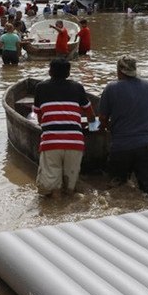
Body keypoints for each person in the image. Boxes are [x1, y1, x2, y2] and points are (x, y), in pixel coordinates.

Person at [98, 55, 148, 199]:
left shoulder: (111, 88)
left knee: (117, 188)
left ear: (119, 71)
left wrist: (106, 129)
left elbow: (103, 118)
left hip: (122, 145)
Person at [32, 58, 97, 197]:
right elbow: (91, 115)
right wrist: (94, 130)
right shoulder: (77, 87)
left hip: (51, 143)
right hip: (75, 142)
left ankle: (56, 212)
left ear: (50, 72)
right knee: (70, 188)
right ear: (68, 74)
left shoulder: (41, 88)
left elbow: (39, 117)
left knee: (52, 188)